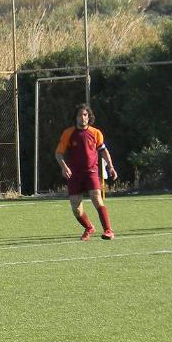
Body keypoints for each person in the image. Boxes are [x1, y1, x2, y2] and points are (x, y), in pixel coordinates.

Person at [55, 103, 117, 241]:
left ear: (89, 117)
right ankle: (89, 227)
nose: (82, 117)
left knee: (96, 197)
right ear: (75, 117)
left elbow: (103, 151)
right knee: (76, 208)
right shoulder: (68, 133)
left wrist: (111, 166)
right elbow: (58, 153)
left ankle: (108, 230)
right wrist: (64, 167)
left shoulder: (96, 133)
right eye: (79, 115)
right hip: (74, 174)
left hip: (91, 172)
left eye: (85, 115)